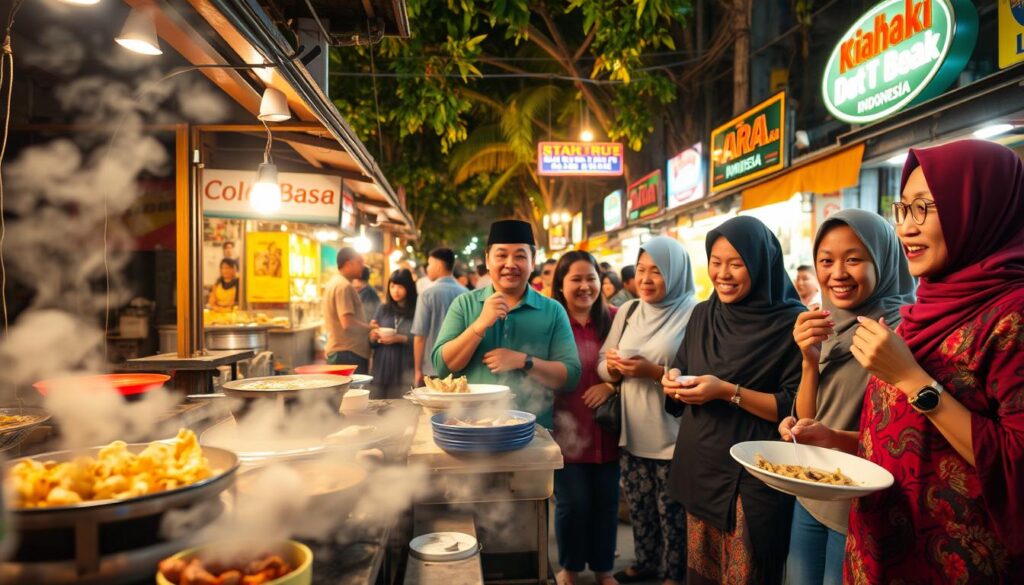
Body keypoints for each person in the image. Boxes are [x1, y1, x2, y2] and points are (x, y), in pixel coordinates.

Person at [780, 140, 1024, 582]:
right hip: (876, 543)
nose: (907, 229)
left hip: (950, 561)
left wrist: (912, 379)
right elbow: (903, 444)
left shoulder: (1011, 317)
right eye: (904, 210)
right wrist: (832, 437)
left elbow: (1014, 462)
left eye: (926, 208)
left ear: (979, 208)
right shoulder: (922, 311)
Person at [661, 215, 805, 585]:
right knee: (702, 572)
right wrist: (672, 383)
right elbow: (682, 369)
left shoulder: (792, 322)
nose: (723, 273)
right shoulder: (703, 314)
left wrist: (727, 391)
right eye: (716, 261)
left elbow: (794, 408)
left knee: (748, 574)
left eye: (737, 263)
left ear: (760, 264)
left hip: (751, 476)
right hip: (700, 463)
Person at [784, 209, 915, 585]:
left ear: (884, 259)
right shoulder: (822, 323)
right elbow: (809, 418)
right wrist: (809, 363)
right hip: (811, 493)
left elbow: (902, 438)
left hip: (861, 507)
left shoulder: (900, 332)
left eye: (854, 259)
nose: (837, 273)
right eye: (826, 260)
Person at [598, 237, 698, 585]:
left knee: (673, 512)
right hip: (633, 431)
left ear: (675, 272)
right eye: (641, 270)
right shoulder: (627, 311)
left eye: (657, 271)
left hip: (675, 434)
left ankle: (674, 573)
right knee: (640, 507)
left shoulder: (693, 312)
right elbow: (602, 361)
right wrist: (611, 368)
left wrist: (652, 372)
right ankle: (645, 562)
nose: (646, 279)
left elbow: (699, 372)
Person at [432, 219, 582, 429]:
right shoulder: (464, 304)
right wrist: (480, 325)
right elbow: (442, 367)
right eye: (501, 255)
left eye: (520, 256)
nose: (510, 264)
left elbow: (571, 377)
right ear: (488, 259)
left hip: (532, 431)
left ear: (532, 261)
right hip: (468, 428)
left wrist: (524, 361)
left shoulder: (553, 310)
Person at [550, 251, 620, 585]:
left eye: (590, 278)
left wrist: (609, 386)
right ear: (560, 286)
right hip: (566, 431)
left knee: (606, 503)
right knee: (573, 504)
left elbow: (635, 365)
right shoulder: (552, 324)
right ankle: (570, 567)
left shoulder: (616, 319)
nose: (584, 286)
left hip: (608, 431)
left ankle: (604, 569)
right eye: (575, 279)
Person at [412, 248, 468, 386]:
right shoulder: (467, 294)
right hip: (460, 369)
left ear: (438, 265)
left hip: (432, 370)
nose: (427, 268)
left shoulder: (427, 295)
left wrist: (418, 369)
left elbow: (420, 336)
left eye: (429, 264)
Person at [368, 269, 418, 399]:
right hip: (381, 366)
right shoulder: (383, 309)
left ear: (409, 287)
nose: (395, 290)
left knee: (401, 406)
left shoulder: (417, 309)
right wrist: (372, 336)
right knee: (378, 405)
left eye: (400, 286)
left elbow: (422, 339)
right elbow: (372, 340)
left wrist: (401, 339)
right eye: (392, 286)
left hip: (404, 365)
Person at [323, 247, 371, 374]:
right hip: (348, 353)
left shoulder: (335, 282)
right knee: (352, 393)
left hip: (343, 352)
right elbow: (347, 323)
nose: (363, 266)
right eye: (360, 262)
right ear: (349, 263)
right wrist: (370, 328)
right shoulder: (343, 286)